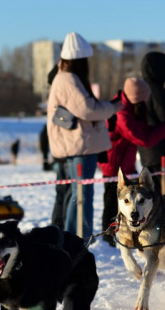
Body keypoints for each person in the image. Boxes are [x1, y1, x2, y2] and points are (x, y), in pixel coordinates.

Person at [47, 32, 122, 236]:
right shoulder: (69, 79)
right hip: (79, 145)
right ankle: (78, 237)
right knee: (81, 194)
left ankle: (71, 235)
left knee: (74, 193)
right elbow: (88, 109)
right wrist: (114, 107)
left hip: (75, 144)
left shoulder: (63, 77)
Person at [100, 77, 165, 246]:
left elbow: (142, 130)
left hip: (124, 161)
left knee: (127, 201)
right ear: (137, 98)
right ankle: (109, 238)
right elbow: (143, 139)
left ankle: (124, 235)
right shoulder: (122, 114)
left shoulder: (126, 107)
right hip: (114, 163)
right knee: (113, 201)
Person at [139, 52, 165, 195]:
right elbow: (164, 116)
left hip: (149, 151)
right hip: (161, 150)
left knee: (155, 194)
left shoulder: (143, 87)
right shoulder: (156, 89)